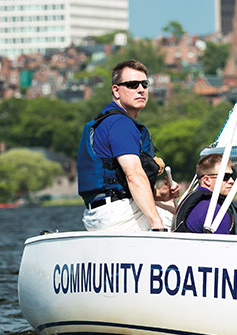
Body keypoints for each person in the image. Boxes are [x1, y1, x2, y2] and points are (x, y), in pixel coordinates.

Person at [77, 59, 179, 232]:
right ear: (116, 91)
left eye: (144, 84)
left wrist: (160, 195)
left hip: (98, 213)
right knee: (186, 220)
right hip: (117, 213)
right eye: (132, 85)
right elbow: (133, 175)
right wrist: (156, 223)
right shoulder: (120, 124)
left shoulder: (109, 121)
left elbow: (121, 183)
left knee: (174, 208)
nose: (141, 90)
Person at [173, 154, 236, 234]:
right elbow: (225, 246)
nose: (232, 181)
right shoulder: (215, 211)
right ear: (207, 180)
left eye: (232, 176)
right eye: (225, 176)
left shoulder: (196, 203)